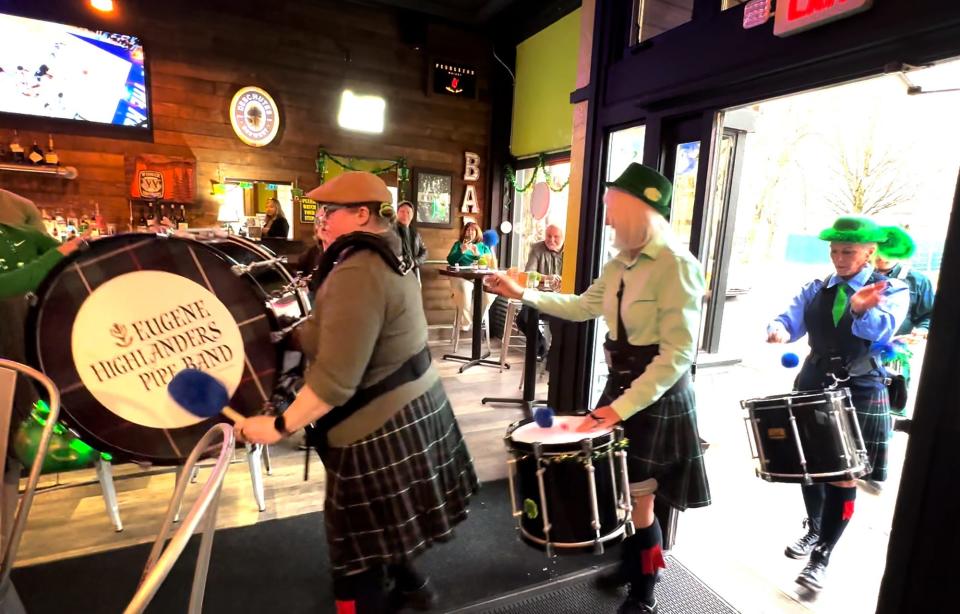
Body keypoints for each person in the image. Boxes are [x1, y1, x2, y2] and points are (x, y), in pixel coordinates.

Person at [236, 172, 477, 613]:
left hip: (377, 423)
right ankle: (413, 587)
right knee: (387, 518)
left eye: (329, 213)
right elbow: (343, 329)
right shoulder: (390, 248)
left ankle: (376, 599)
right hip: (414, 404)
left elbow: (334, 382)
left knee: (354, 552)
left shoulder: (358, 270)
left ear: (362, 213)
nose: (320, 221)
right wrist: (292, 337)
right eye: (319, 213)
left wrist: (277, 425)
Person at [485, 163, 710, 614]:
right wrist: (519, 293)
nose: (606, 219)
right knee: (623, 487)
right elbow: (583, 306)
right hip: (622, 385)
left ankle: (645, 590)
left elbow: (677, 355)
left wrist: (619, 409)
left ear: (640, 212)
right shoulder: (619, 263)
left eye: (612, 210)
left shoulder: (678, 266)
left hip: (656, 392)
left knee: (641, 497)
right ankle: (633, 564)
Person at [766, 217, 910, 592]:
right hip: (813, 382)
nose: (839, 258)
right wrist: (780, 328)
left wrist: (861, 308)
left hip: (859, 387)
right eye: (834, 250)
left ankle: (822, 557)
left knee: (844, 475)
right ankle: (814, 527)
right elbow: (792, 318)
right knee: (808, 466)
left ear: (869, 252)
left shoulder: (891, 289)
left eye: (848, 251)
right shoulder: (817, 287)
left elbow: (879, 331)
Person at [0, 188, 88, 612]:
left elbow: (58, 257)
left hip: (12, 363)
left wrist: (72, 253)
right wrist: (55, 259)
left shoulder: (18, 207)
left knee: (8, 471)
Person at [873, 234, 934, 427]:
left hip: (895, 354)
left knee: (889, 408)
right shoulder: (859, 276)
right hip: (857, 352)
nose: (883, 256)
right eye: (880, 249)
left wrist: (922, 330)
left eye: (891, 251)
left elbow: (929, 315)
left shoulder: (918, 280)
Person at [515, 224, 564, 359]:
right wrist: (547, 278)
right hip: (538, 295)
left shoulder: (571, 249)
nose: (551, 240)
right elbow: (528, 273)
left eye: (556, 237)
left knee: (561, 321)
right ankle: (542, 347)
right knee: (523, 319)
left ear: (563, 238)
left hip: (561, 298)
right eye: (549, 236)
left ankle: (554, 358)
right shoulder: (537, 248)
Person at [446, 221, 495, 331]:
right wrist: (461, 252)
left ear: (478, 232)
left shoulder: (483, 247)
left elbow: (490, 263)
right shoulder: (458, 245)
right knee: (464, 289)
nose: (470, 232)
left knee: (489, 294)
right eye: (468, 230)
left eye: (473, 230)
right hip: (462, 277)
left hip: (481, 278)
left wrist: (478, 255)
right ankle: (466, 322)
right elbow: (450, 261)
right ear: (464, 232)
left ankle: (478, 320)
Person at [396, 200, 427, 274]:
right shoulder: (391, 231)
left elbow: (424, 252)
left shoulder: (415, 233)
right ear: (397, 213)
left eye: (408, 212)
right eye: (402, 211)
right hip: (397, 271)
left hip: (413, 271)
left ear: (412, 215)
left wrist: (414, 262)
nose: (405, 214)